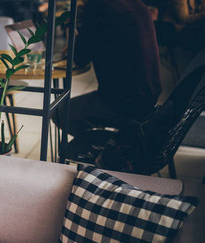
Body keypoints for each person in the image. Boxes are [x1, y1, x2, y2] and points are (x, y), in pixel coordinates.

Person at [52, 0, 162, 143]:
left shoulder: (97, 6)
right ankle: (122, 140)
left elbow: (79, 58)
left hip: (122, 102)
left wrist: (70, 25)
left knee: (59, 114)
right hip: (149, 96)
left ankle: (112, 149)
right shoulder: (136, 4)